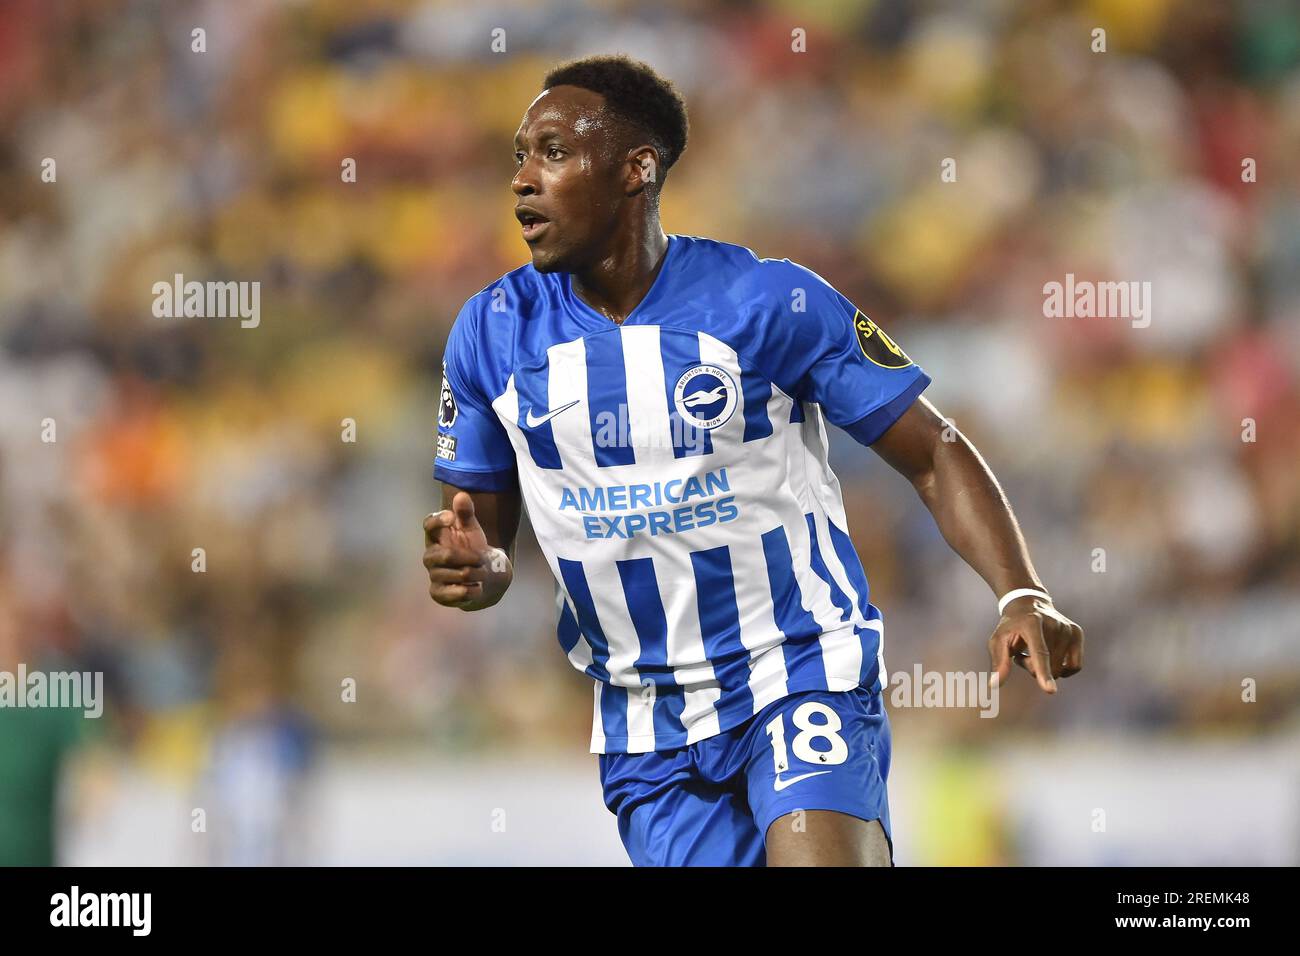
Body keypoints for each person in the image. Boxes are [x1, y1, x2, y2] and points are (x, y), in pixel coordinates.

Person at [424, 55, 1083, 866]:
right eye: (520, 156)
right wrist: (471, 573)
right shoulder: (489, 333)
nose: (524, 180)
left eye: (553, 152)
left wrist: (1020, 590)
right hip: (647, 718)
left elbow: (933, 454)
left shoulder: (769, 301)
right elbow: (487, 554)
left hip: (797, 670)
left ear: (638, 169)